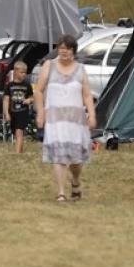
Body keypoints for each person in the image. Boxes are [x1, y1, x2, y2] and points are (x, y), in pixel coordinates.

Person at [34, 35, 99, 201]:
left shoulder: (80, 69)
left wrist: (91, 115)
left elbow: (86, 95)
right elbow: (38, 90)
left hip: (76, 120)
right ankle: (61, 192)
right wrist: (41, 113)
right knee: (59, 155)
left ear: (73, 52)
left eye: (68, 49)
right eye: (61, 48)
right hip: (55, 119)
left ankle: (76, 181)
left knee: (76, 160)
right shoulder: (49, 66)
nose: (64, 52)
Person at [1, 59, 34, 154]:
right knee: (16, 133)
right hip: (12, 112)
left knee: (19, 131)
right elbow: (6, 100)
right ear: (15, 72)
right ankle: (21, 151)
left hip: (23, 112)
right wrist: (6, 113)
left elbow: (32, 97)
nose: (24, 74)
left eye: (25, 72)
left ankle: (17, 154)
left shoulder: (27, 85)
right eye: (21, 72)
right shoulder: (9, 86)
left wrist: (29, 100)